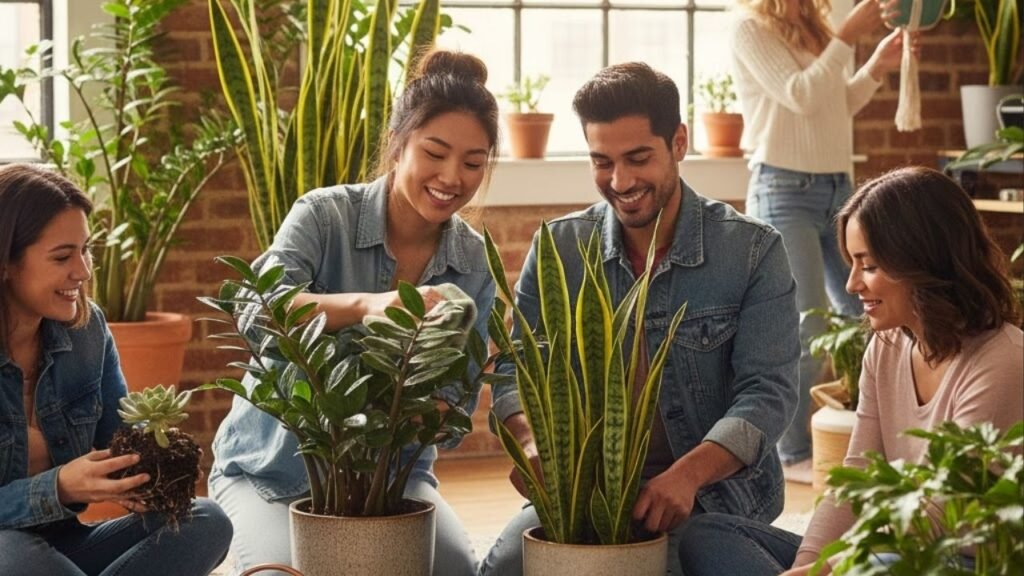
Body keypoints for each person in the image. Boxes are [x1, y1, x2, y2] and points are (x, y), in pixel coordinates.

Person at [479, 62, 800, 576]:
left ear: (678, 142)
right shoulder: (559, 247)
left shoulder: (753, 250)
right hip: (583, 494)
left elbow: (769, 394)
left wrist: (688, 475)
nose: (620, 181)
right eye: (601, 161)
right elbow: (516, 368)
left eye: (638, 158)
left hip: (712, 497)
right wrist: (529, 441)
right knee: (504, 568)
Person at [208, 49, 499, 576]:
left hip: (393, 483)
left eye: (474, 163)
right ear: (397, 144)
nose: (452, 177)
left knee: (457, 568)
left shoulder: (473, 262)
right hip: (271, 472)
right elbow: (257, 311)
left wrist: (412, 406)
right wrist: (369, 306)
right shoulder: (323, 216)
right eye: (434, 152)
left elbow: (454, 406)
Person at [676, 166, 1024, 576]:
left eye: (869, 265)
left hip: (958, 560)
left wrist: (827, 570)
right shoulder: (887, 346)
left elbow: (938, 516)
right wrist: (809, 565)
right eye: (852, 264)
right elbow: (856, 472)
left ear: (923, 263)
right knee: (708, 534)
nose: (851, 284)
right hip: (887, 554)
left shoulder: (1003, 361)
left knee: (879, 565)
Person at [0, 164, 232, 576]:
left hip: (63, 545)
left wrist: (151, 469)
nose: (83, 271)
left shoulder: (87, 332)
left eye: (85, 249)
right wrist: (58, 487)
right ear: (6, 263)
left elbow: (117, 442)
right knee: (16, 555)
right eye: (62, 256)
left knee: (206, 520)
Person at [730, 0, 918, 482]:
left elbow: (837, 103)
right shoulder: (749, 28)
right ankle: (791, 453)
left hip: (838, 188)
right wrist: (847, 38)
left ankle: (876, 438)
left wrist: (875, 66)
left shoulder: (817, 26)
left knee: (871, 315)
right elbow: (801, 96)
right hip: (783, 191)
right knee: (808, 328)